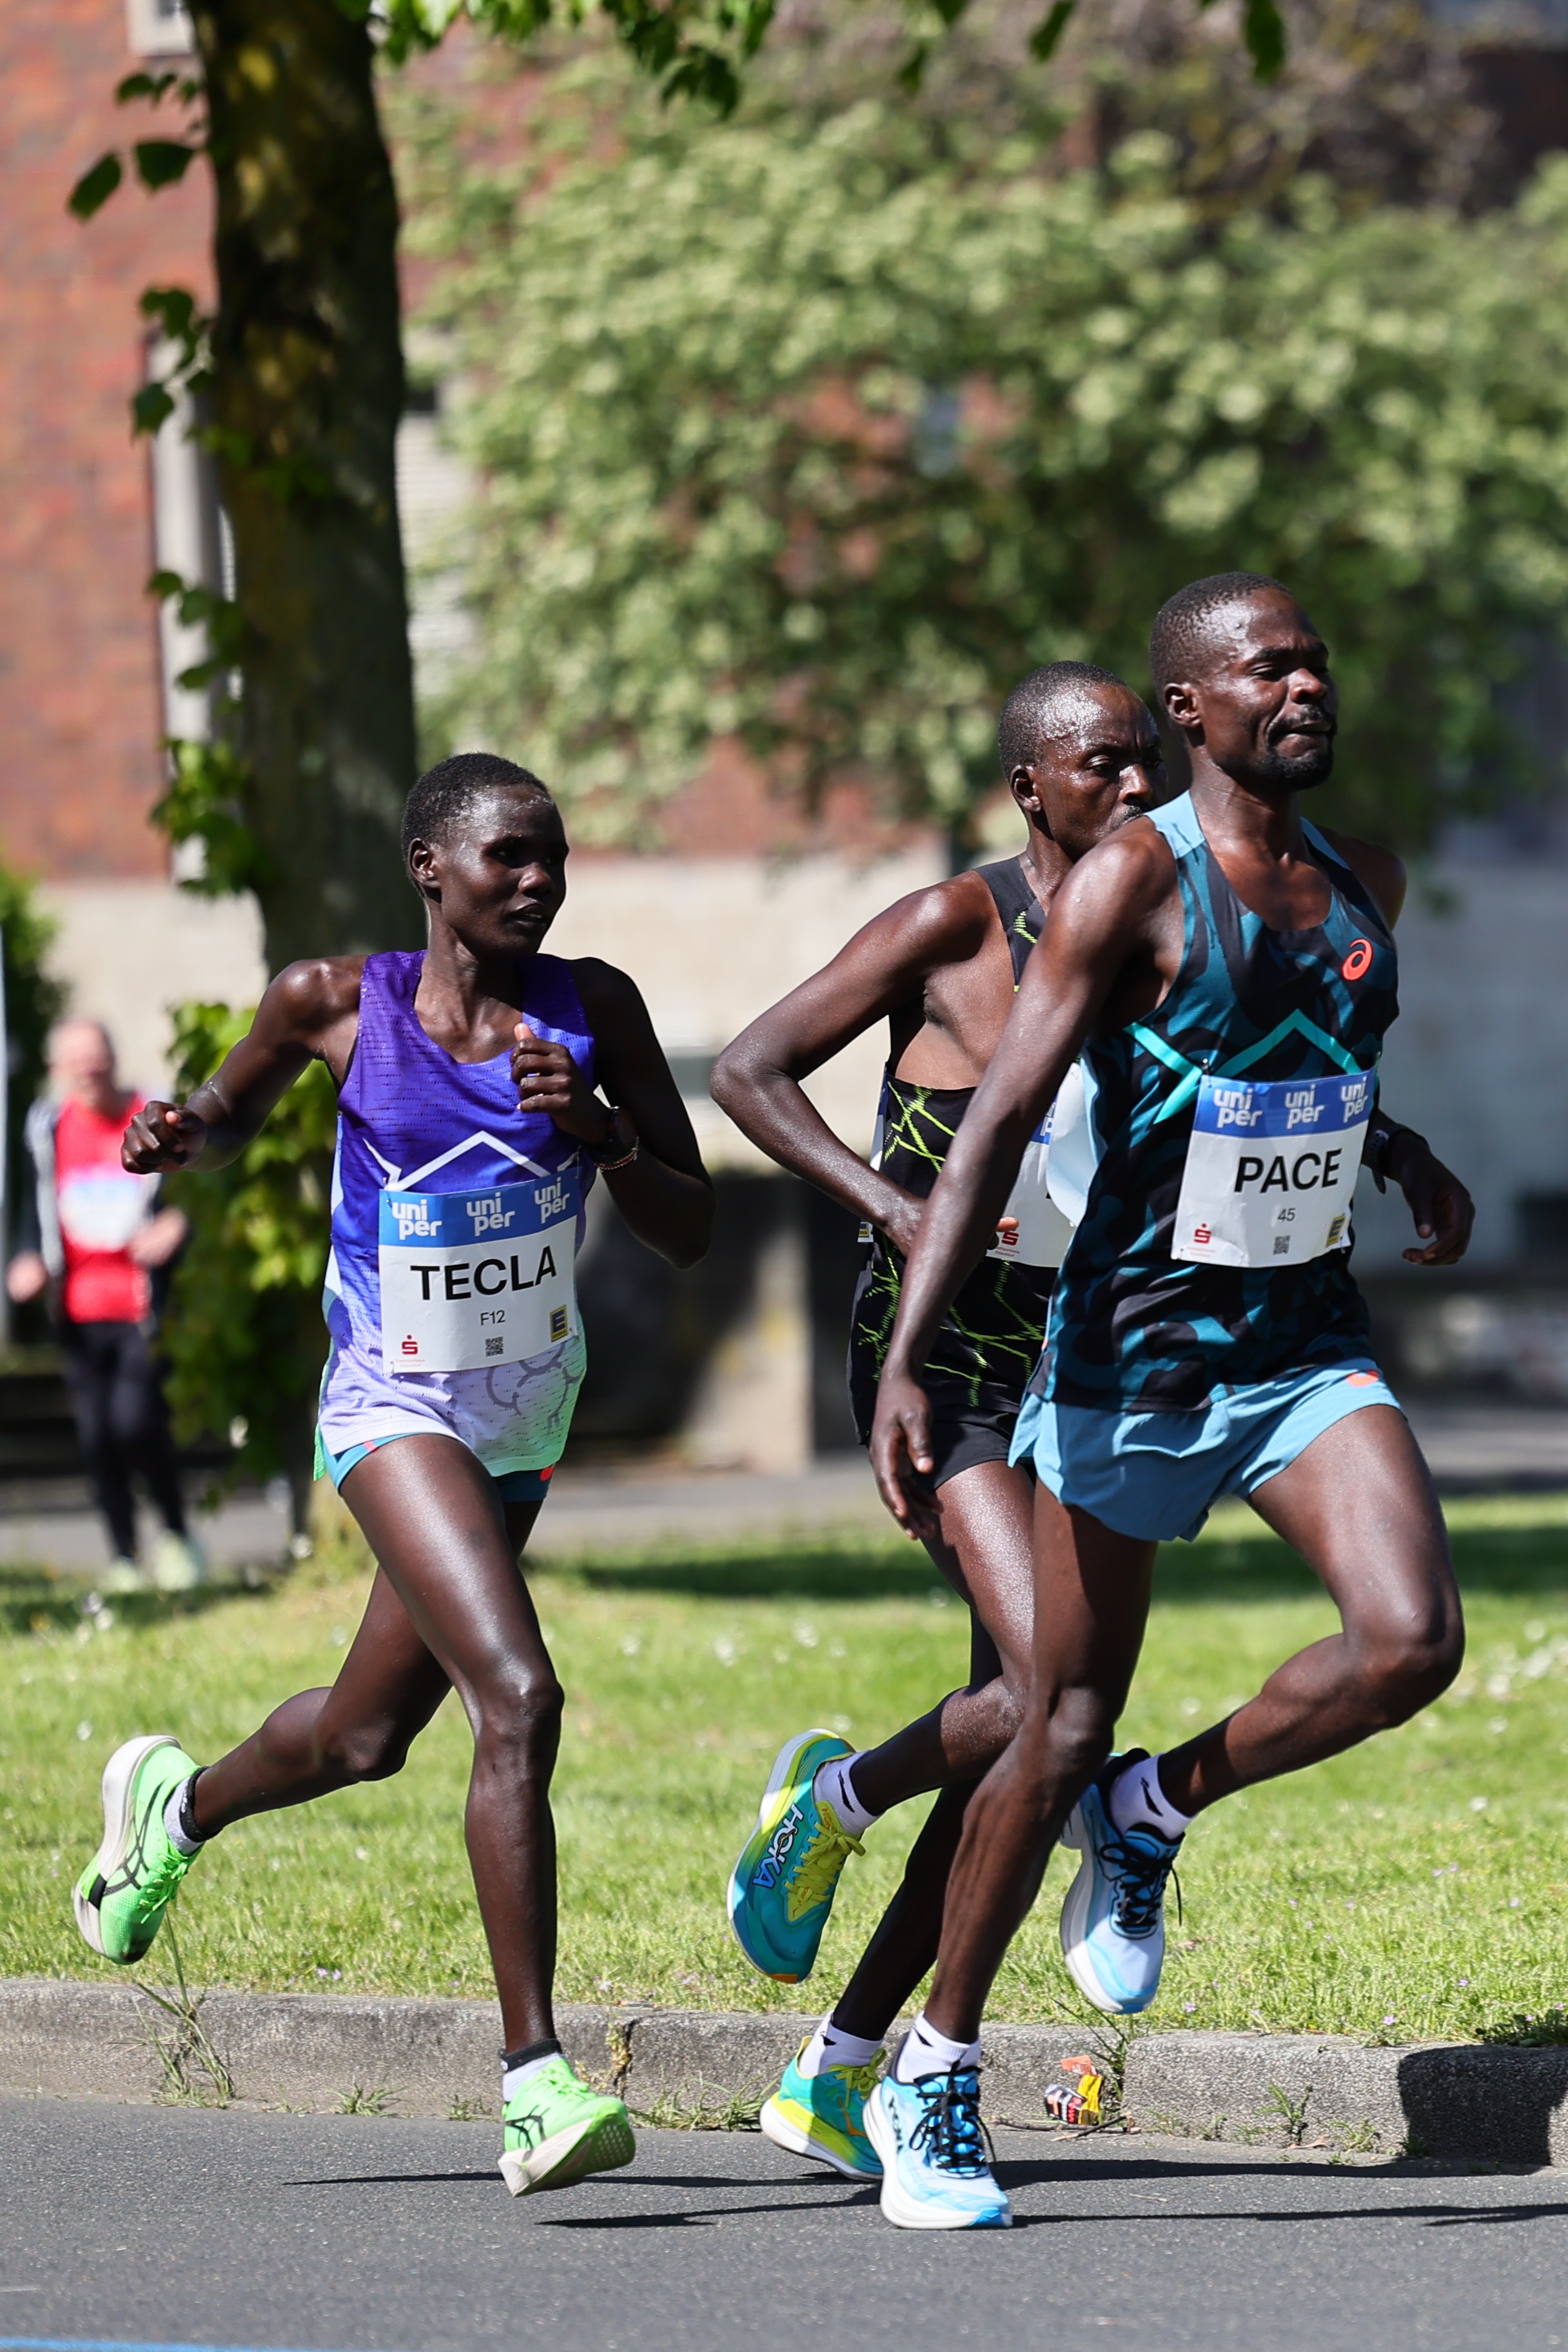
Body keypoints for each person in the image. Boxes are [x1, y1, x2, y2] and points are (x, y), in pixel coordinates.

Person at [867, 573, 1475, 2230]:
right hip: (1130, 1355)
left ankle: (1160, 1806)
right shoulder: (1134, 882)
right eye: (1260, 665)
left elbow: (1305, 1075)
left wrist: (1397, 1148)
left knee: (1410, 1638)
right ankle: (931, 2071)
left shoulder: (1367, 879)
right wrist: (914, 1359)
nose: (1301, 682)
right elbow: (994, 1120)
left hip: (1298, 1347)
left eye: (1313, 659)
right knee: (1052, 1722)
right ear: (1188, 710)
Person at [70, 752, 714, 2199]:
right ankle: (535, 2080)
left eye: (553, 857)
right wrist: (180, 1135)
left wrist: (600, 1132)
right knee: (520, 1697)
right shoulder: (332, 1002)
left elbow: (690, 1228)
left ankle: (173, 1809)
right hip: (390, 1401)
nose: (538, 882)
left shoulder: (595, 1011)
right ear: (431, 867)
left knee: (365, 1739)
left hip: (524, 1418)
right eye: (508, 859)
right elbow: (228, 1114)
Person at [712, 662, 1164, 2185]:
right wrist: (895, 1207)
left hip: (1083, 1373)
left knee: (1015, 1759)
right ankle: (829, 1812)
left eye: (1148, 763)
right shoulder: (951, 927)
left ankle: (838, 2067)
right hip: (941, 1370)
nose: (1134, 788)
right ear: (1029, 785)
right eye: (1101, 765)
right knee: (1053, 1687)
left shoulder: (1161, 940)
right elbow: (747, 1069)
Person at [8, 1018, 201, 1592]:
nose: (90, 1073)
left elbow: (195, 1193)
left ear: (115, 1060)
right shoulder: (47, 1128)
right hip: (78, 1312)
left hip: (142, 1309)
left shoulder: (151, 1119)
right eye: (78, 1064)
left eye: (99, 1060)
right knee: (96, 1436)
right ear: (58, 1071)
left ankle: (175, 1534)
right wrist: (26, 1257)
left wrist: (177, 1225)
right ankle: (123, 1557)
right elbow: (34, 1203)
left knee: (136, 1422)